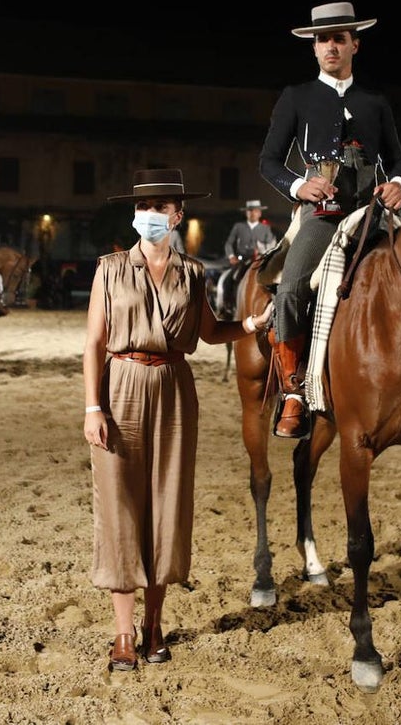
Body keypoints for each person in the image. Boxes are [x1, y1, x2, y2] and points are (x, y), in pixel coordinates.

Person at [82, 168, 273, 672]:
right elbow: (94, 344)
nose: (150, 216)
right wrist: (91, 407)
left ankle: (153, 625)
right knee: (120, 504)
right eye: (143, 208)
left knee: (166, 506)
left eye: (161, 208)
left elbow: (209, 333)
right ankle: (122, 634)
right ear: (134, 213)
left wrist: (251, 325)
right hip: (120, 385)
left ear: (177, 214)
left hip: (174, 391)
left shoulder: (193, 272)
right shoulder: (110, 268)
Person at [259, 1, 401, 438]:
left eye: (339, 39)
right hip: (322, 214)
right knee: (289, 288)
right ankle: (292, 391)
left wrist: (398, 182)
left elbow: (399, 160)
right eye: (323, 39)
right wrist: (297, 187)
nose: (331, 46)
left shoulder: (375, 102)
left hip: (371, 213)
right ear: (314, 48)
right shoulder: (296, 97)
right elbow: (268, 161)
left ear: (354, 45)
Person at [224, 199, 277, 268]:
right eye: (250, 210)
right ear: (246, 213)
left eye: (256, 211)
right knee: (231, 276)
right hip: (241, 261)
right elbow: (229, 243)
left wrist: (262, 250)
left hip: (260, 261)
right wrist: (231, 256)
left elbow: (271, 245)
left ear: (260, 213)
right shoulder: (238, 226)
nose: (253, 213)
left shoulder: (266, 228)